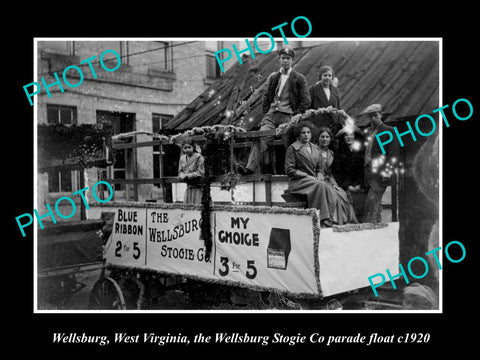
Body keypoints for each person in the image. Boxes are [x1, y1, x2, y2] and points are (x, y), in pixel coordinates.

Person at [238, 47, 311, 175]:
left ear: (292, 60)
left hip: (288, 116)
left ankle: (295, 170)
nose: (285, 61)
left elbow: (306, 101)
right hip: (271, 117)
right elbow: (265, 96)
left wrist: (295, 115)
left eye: (288, 58)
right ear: (279, 60)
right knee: (260, 137)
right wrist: (268, 112)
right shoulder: (274, 77)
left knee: (290, 142)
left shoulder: (299, 78)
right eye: (283, 58)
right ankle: (250, 168)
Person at [361, 104, 398, 223]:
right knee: (373, 203)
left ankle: (371, 227)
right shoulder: (369, 132)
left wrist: (388, 172)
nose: (373, 119)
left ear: (380, 115)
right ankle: (376, 226)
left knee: (372, 201)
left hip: (381, 173)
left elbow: (393, 155)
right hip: (369, 172)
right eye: (370, 117)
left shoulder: (389, 131)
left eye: (375, 116)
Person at [316, 127, 358, 225]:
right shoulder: (313, 151)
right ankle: (330, 220)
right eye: (322, 137)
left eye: (327, 137)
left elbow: (331, 172)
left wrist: (334, 184)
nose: (325, 139)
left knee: (342, 194)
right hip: (317, 179)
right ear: (318, 138)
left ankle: (344, 220)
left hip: (329, 180)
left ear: (330, 139)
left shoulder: (331, 153)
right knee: (332, 195)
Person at [308, 66, 342, 134]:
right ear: (320, 76)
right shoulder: (313, 90)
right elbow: (308, 108)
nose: (327, 78)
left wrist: (339, 122)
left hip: (333, 126)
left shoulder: (335, 90)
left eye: (329, 76)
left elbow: (338, 108)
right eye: (325, 75)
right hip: (318, 126)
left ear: (332, 77)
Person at [178, 138, 205, 204]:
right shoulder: (182, 158)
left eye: (189, 147)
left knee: (198, 206)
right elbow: (180, 171)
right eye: (185, 148)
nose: (187, 149)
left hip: (198, 187)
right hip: (189, 188)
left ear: (193, 147)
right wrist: (181, 175)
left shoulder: (199, 157)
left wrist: (187, 175)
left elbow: (200, 172)